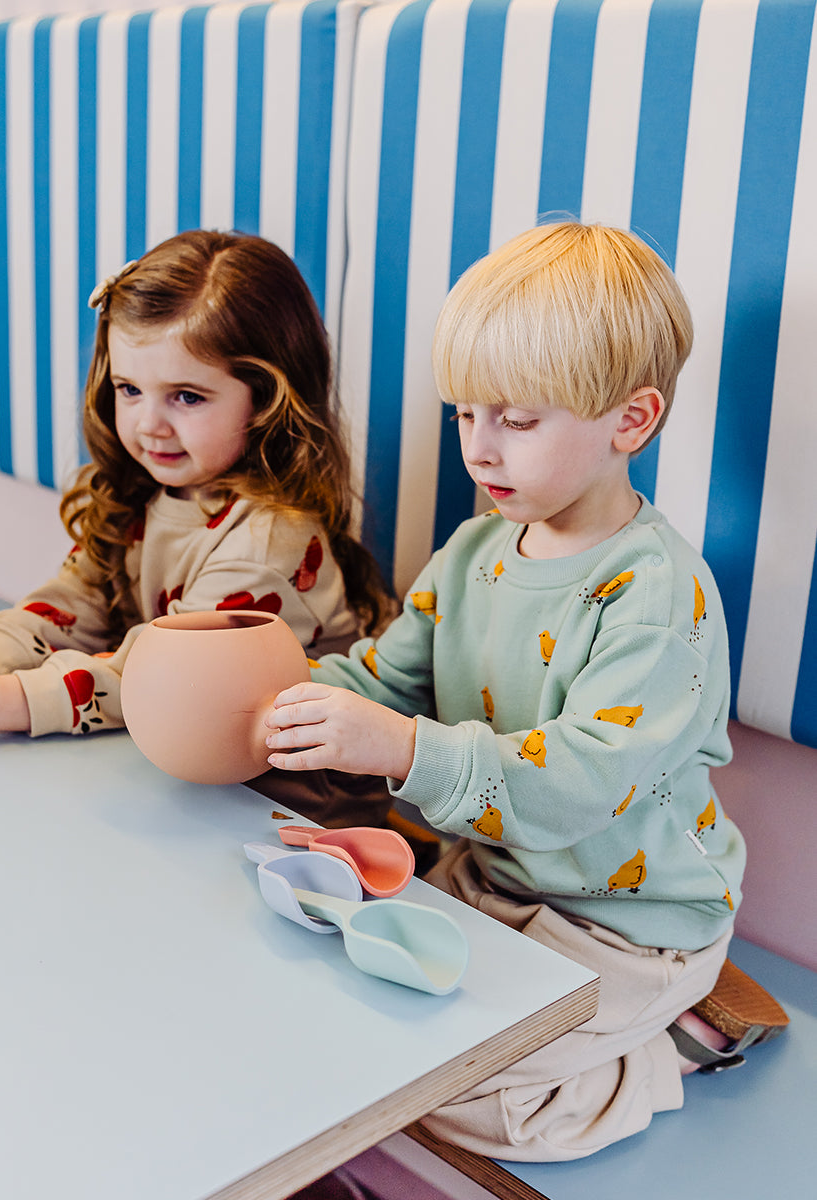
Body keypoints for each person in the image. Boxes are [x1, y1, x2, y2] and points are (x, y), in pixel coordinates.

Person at [262, 222, 760, 1159]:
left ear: (631, 421)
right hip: (492, 882)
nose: (480, 451)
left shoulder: (656, 596)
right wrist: (271, 706)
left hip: (629, 925)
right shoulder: (473, 552)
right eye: (465, 415)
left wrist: (399, 747)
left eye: (518, 421)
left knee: (463, 1106)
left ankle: (671, 1049)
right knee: (359, 1042)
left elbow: (576, 782)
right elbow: (384, 679)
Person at [0, 229, 401, 827]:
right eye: (129, 389)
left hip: (293, 814)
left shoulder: (268, 544)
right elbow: (73, 600)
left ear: (268, 401)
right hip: (188, 774)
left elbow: (157, 682)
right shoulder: (152, 489)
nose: (149, 424)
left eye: (187, 397)